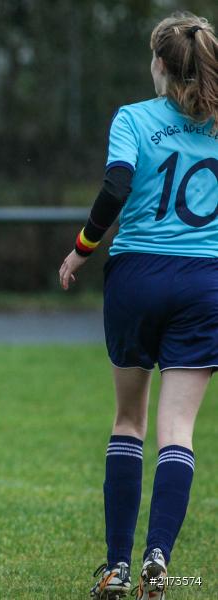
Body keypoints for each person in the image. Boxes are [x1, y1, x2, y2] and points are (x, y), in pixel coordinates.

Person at [58, 13, 218, 600]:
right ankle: (159, 558)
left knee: (129, 421)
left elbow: (116, 188)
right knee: (178, 430)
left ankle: (116, 568)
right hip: (206, 283)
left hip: (137, 278)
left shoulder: (134, 118)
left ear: (158, 63)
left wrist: (81, 250)